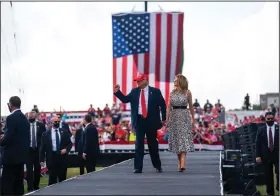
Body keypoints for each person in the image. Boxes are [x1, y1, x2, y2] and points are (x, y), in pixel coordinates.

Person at [114, 73, 166, 173]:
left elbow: (163, 105)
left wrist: (163, 119)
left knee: (153, 145)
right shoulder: (134, 91)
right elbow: (125, 99)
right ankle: (137, 167)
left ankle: (157, 166)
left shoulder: (155, 91)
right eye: (136, 81)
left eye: (139, 80)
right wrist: (117, 92)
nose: (137, 82)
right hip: (139, 121)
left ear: (145, 80)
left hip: (151, 121)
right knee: (138, 145)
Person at [0, 96, 30, 195]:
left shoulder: (11, 118)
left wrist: (1, 140)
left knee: (8, 185)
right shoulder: (25, 119)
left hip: (10, 159)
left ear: (11, 105)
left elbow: (9, 137)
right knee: (18, 185)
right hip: (21, 158)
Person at [166, 74, 195, 172]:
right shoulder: (171, 93)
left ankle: (183, 162)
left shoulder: (188, 93)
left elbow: (191, 106)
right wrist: (166, 119)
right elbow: (169, 107)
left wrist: (193, 119)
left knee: (183, 139)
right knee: (177, 141)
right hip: (174, 117)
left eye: (176, 80)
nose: (174, 81)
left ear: (181, 81)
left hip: (184, 116)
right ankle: (180, 162)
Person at [39, 116, 72, 185]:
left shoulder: (64, 132)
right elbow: (42, 147)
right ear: (51, 123)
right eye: (55, 122)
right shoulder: (46, 134)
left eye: (58, 121)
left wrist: (66, 149)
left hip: (62, 157)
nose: (57, 123)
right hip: (51, 157)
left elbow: (69, 143)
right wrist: (41, 159)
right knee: (52, 178)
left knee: (62, 178)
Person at [256, 112, 279, 195]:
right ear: (265, 119)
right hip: (266, 155)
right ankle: (270, 192)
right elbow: (257, 143)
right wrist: (258, 155)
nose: (270, 120)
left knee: (278, 170)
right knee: (268, 174)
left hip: (277, 154)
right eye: (268, 119)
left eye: (272, 119)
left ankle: (278, 186)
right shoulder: (261, 130)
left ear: (274, 119)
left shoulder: (278, 128)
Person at [26, 111, 46, 192]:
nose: (30, 118)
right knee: (29, 170)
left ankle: (36, 185)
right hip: (29, 151)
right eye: (29, 117)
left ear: (35, 117)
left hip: (38, 151)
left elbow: (44, 137)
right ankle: (30, 187)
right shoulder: (25, 125)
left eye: (32, 117)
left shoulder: (40, 125)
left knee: (37, 169)